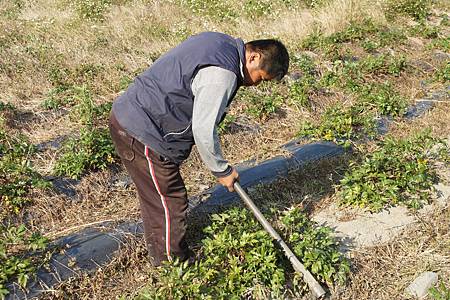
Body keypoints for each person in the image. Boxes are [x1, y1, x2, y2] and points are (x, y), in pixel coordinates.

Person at [109, 31, 289, 266]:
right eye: (261, 78)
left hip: (136, 116)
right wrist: (221, 170)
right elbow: (203, 129)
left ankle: (165, 256)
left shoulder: (219, 42)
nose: (255, 84)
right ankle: (172, 269)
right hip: (143, 130)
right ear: (253, 57)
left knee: (157, 197)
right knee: (168, 200)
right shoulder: (222, 75)